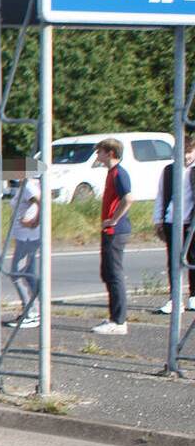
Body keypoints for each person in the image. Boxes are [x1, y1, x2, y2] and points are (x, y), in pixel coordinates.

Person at [92, 138, 132, 335]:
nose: (97, 156)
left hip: (116, 231)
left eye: (99, 152)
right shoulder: (111, 173)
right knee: (107, 273)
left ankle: (119, 321)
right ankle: (114, 317)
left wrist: (114, 219)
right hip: (109, 231)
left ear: (110, 153)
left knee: (114, 274)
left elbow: (129, 198)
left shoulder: (119, 173)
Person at [155, 139, 195, 316]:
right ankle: (174, 298)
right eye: (183, 155)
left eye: (189, 154)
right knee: (173, 261)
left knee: (193, 258)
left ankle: (193, 295)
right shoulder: (169, 171)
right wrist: (158, 220)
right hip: (172, 221)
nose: (186, 158)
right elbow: (161, 196)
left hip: (191, 222)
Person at [7, 170, 43, 330]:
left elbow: (41, 202)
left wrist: (35, 221)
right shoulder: (24, 186)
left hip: (28, 235)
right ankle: (35, 309)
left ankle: (31, 312)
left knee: (17, 273)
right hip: (23, 235)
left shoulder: (28, 185)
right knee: (29, 273)